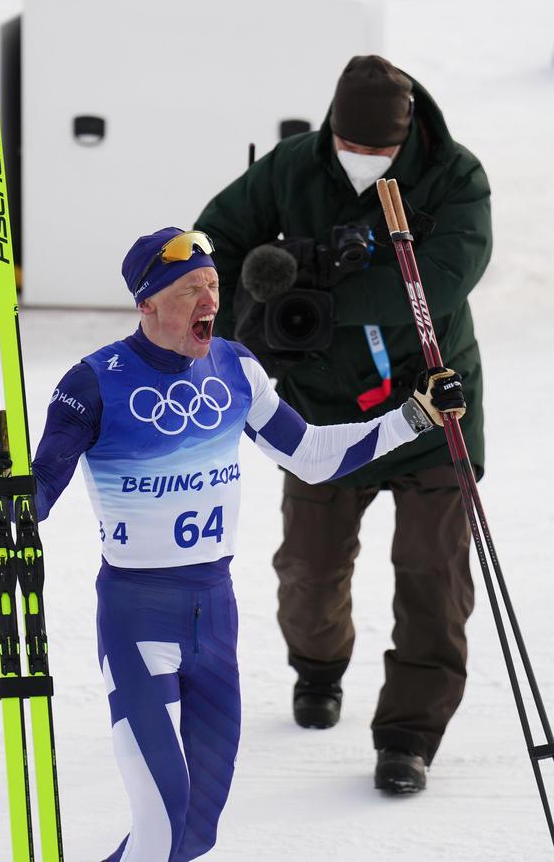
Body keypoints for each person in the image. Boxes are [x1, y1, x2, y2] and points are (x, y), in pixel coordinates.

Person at [0, 228, 465, 861]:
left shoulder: (234, 365)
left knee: (196, 831)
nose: (207, 299)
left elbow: (310, 456)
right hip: (137, 615)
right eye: (187, 288)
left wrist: (415, 415)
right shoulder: (94, 382)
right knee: (163, 818)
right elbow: (33, 499)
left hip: (215, 614)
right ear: (145, 303)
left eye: (212, 285)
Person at [194, 54, 492, 794]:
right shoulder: (294, 167)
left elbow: (444, 276)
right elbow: (213, 244)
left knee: (434, 576)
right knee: (309, 571)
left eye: (378, 152)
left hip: (430, 401)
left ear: (407, 134)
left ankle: (408, 734)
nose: (361, 162)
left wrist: (326, 276)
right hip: (321, 406)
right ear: (331, 132)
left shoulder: (455, 177)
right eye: (348, 148)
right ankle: (318, 667)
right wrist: (252, 307)